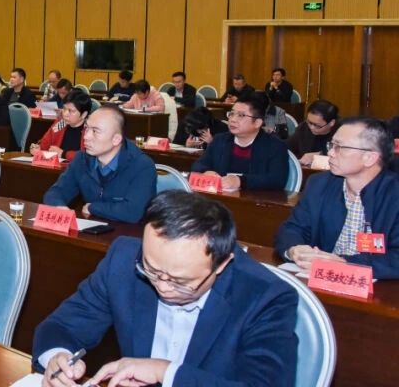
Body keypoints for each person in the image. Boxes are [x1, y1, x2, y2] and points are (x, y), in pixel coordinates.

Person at [32, 191, 297, 386]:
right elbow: (63, 325)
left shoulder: (265, 296)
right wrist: (58, 357)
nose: (162, 287)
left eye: (180, 281)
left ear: (221, 264)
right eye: (151, 269)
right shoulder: (124, 260)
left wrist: (164, 372)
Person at [275, 117, 399, 279]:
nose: (330, 153)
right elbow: (292, 228)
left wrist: (344, 264)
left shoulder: (393, 194)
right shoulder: (319, 184)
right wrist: (294, 249)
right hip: (319, 281)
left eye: (340, 147)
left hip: (379, 288)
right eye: (331, 145)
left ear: (369, 157)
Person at [42, 106, 157, 223]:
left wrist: (93, 208)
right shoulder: (81, 159)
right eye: (86, 128)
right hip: (93, 229)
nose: (86, 136)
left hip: (130, 232)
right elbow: (54, 193)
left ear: (116, 139)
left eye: (95, 131)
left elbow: (132, 212)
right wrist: (59, 207)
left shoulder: (142, 166)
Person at [190, 93, 289, 191]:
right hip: (220, 197)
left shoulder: (275, 146)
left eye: (241, 115)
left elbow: (277, 179)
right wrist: (206, 172)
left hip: (255, 199)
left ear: (257, 123)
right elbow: (198, 165)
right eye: (232, 114)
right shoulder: (220, 140)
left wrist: (241, 181)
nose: (233, 119)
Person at [30, 89, 90, 161]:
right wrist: (38, 148)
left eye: (71, 111)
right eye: (64, 109)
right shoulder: (61, 123)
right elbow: (45, 144)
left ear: (84, 114)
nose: (65, 114)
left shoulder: (90, 129)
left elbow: (89, 157)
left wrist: (64, 154)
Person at [287, 100, 339, 165]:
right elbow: (287, 147)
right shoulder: (303, 128)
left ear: (331, 123)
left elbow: (344, 156)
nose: (311, 127)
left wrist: (320, 156)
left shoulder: (342, 133)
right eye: (309, 122)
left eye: (317, 125)